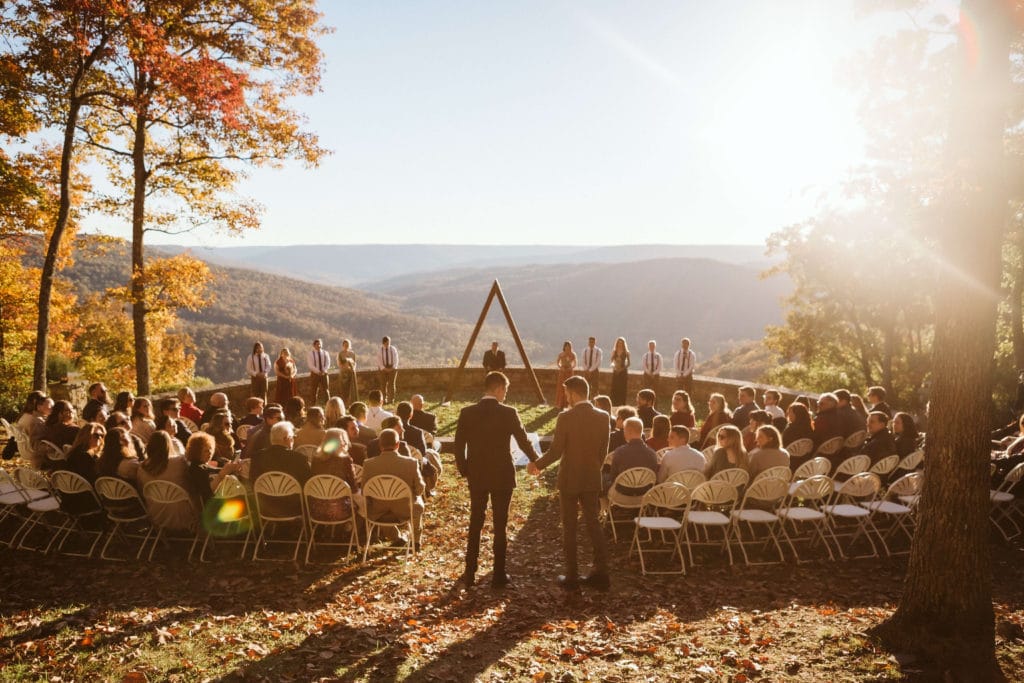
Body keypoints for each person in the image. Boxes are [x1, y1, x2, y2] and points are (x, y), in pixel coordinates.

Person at [453, 371, 539, 587]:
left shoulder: (467, 412)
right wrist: (537, 461)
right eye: (506, 391)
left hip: (478, 474)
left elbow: (458, 446)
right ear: (499, 388)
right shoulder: (509, 413)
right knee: (500, 525)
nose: (506, 395)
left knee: (475, 522)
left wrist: (465, 470)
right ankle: (499, 575)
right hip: (502, 474)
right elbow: (523, 441)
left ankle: (470, 571)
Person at [529, 376, 611, 590]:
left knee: (570, 526)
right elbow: (603, 450)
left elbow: (556, 451)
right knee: (594, 524)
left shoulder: (566, 417)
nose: (566, 398)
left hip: (569, 479)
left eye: (566, 394)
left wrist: (537, 464)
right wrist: (594, 468)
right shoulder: (603, 417)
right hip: (592, 477)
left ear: (574, 393)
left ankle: (572, 575)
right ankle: (602, 572)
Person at [361, 428, 425, 548]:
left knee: (378, 502)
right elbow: (420, 488)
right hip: (405, 509)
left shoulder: (368, 464)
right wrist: (413, 493)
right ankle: (416, 541)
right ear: (398, 444)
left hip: (378, 511)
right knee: (418, 502)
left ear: (380, 446)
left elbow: (364, 489)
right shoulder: (411, 463)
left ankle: (396, 537)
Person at [137, 431, 194, 530]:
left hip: (157, 516)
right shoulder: (180, 462)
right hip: (184, 515)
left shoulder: (142, 468)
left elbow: (142, 492)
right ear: (169, 445)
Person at [309, 427, 360, 523]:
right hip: (341, 511)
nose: (346, 442)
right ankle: (355, 531)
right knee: (364, 503)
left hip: (316, 510)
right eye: (344, 440)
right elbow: (354, 488)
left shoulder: (316, 459)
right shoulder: (345, 460)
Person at [249, 421, 312, 493]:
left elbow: (253, 482)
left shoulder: (257, 457)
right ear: (287, 439)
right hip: (294, 502)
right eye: (292, 437)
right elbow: (308, 485)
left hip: (265, 501)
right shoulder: (299, 458)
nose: (293, 440)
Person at [183, 432, 242, 507]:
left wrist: (231, 469)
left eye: (210, 449)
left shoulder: (201, 465)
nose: (210, 453)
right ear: (197, 452)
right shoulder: (196, 469)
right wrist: (222, 474)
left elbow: (216, 470)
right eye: (206, 451)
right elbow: (208, 493)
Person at [605, 417, 658, 498]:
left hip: (622, 494)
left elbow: (613, 477)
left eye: (624, 431)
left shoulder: (619, 452)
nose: (624, 433)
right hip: (643, 495)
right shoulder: (652, 453)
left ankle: (606, 509)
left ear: (629, 431)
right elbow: (654, 477)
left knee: (601, 482)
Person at [308, 338, 332, 406]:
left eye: (320, 344)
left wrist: (324, 370)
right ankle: (313, 405)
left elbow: (328, 363)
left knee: (326, 390)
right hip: (315, 374)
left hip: (324, 374)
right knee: (314, 391)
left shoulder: (325, 353)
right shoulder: (311, 354)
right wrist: (318, 371)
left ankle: (328, 405)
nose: (319, 345)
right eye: (317, 344)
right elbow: (310, 365)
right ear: (314, 345)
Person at [377, 336, 399, 404]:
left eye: (388, 342)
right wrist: (384, 368)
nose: (387, 344)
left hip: (392, 368)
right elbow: (379, 360)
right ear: (383, 343)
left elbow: (396, 359)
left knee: (391, 384)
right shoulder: (380, 350)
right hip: (383, 369)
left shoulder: (393, 349)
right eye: (386, 343)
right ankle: (383, 399)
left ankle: (391, 400)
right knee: (383, 385)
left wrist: (393, 367)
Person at [554, 341, 577, 409]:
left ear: (570, 347)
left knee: (570, 387)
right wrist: (561, 367)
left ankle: (569, 404)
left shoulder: (573, 354)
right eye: (566, 346)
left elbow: (575, 364)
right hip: (562, 372)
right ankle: (560, 404)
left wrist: (571, 368)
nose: (567, 347)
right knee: (561, 387)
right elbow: (558, 362)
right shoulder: (561, 354)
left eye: (569, 346)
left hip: (569, 372)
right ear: (564, 347)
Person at [609, 337, 631, 406]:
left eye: (621, 343)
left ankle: (621, 403)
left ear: (623, 344)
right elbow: (612, 361)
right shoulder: (614, 351)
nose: (620, 344)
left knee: (622, 388)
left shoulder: (626, 352)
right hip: (615, 372)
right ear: (617, 343)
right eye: (619, 343)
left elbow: (628, 364)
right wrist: (615, 367)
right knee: (615, 387)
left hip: (623, 372)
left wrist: (622, 369)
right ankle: (614, 403)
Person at [337, 339, 359, 406]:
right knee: (344, 389)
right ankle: (344, 403)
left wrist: (353, 369)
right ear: (343, 345)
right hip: (344, 374)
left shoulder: (352, 353)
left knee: (351, 389)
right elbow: (339, 364)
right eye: (345, 345)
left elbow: (355, 363)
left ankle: (352, 403)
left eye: (348, 345)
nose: (346, 346)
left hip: (351, 373)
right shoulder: (340, 354)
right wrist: (345, 368)